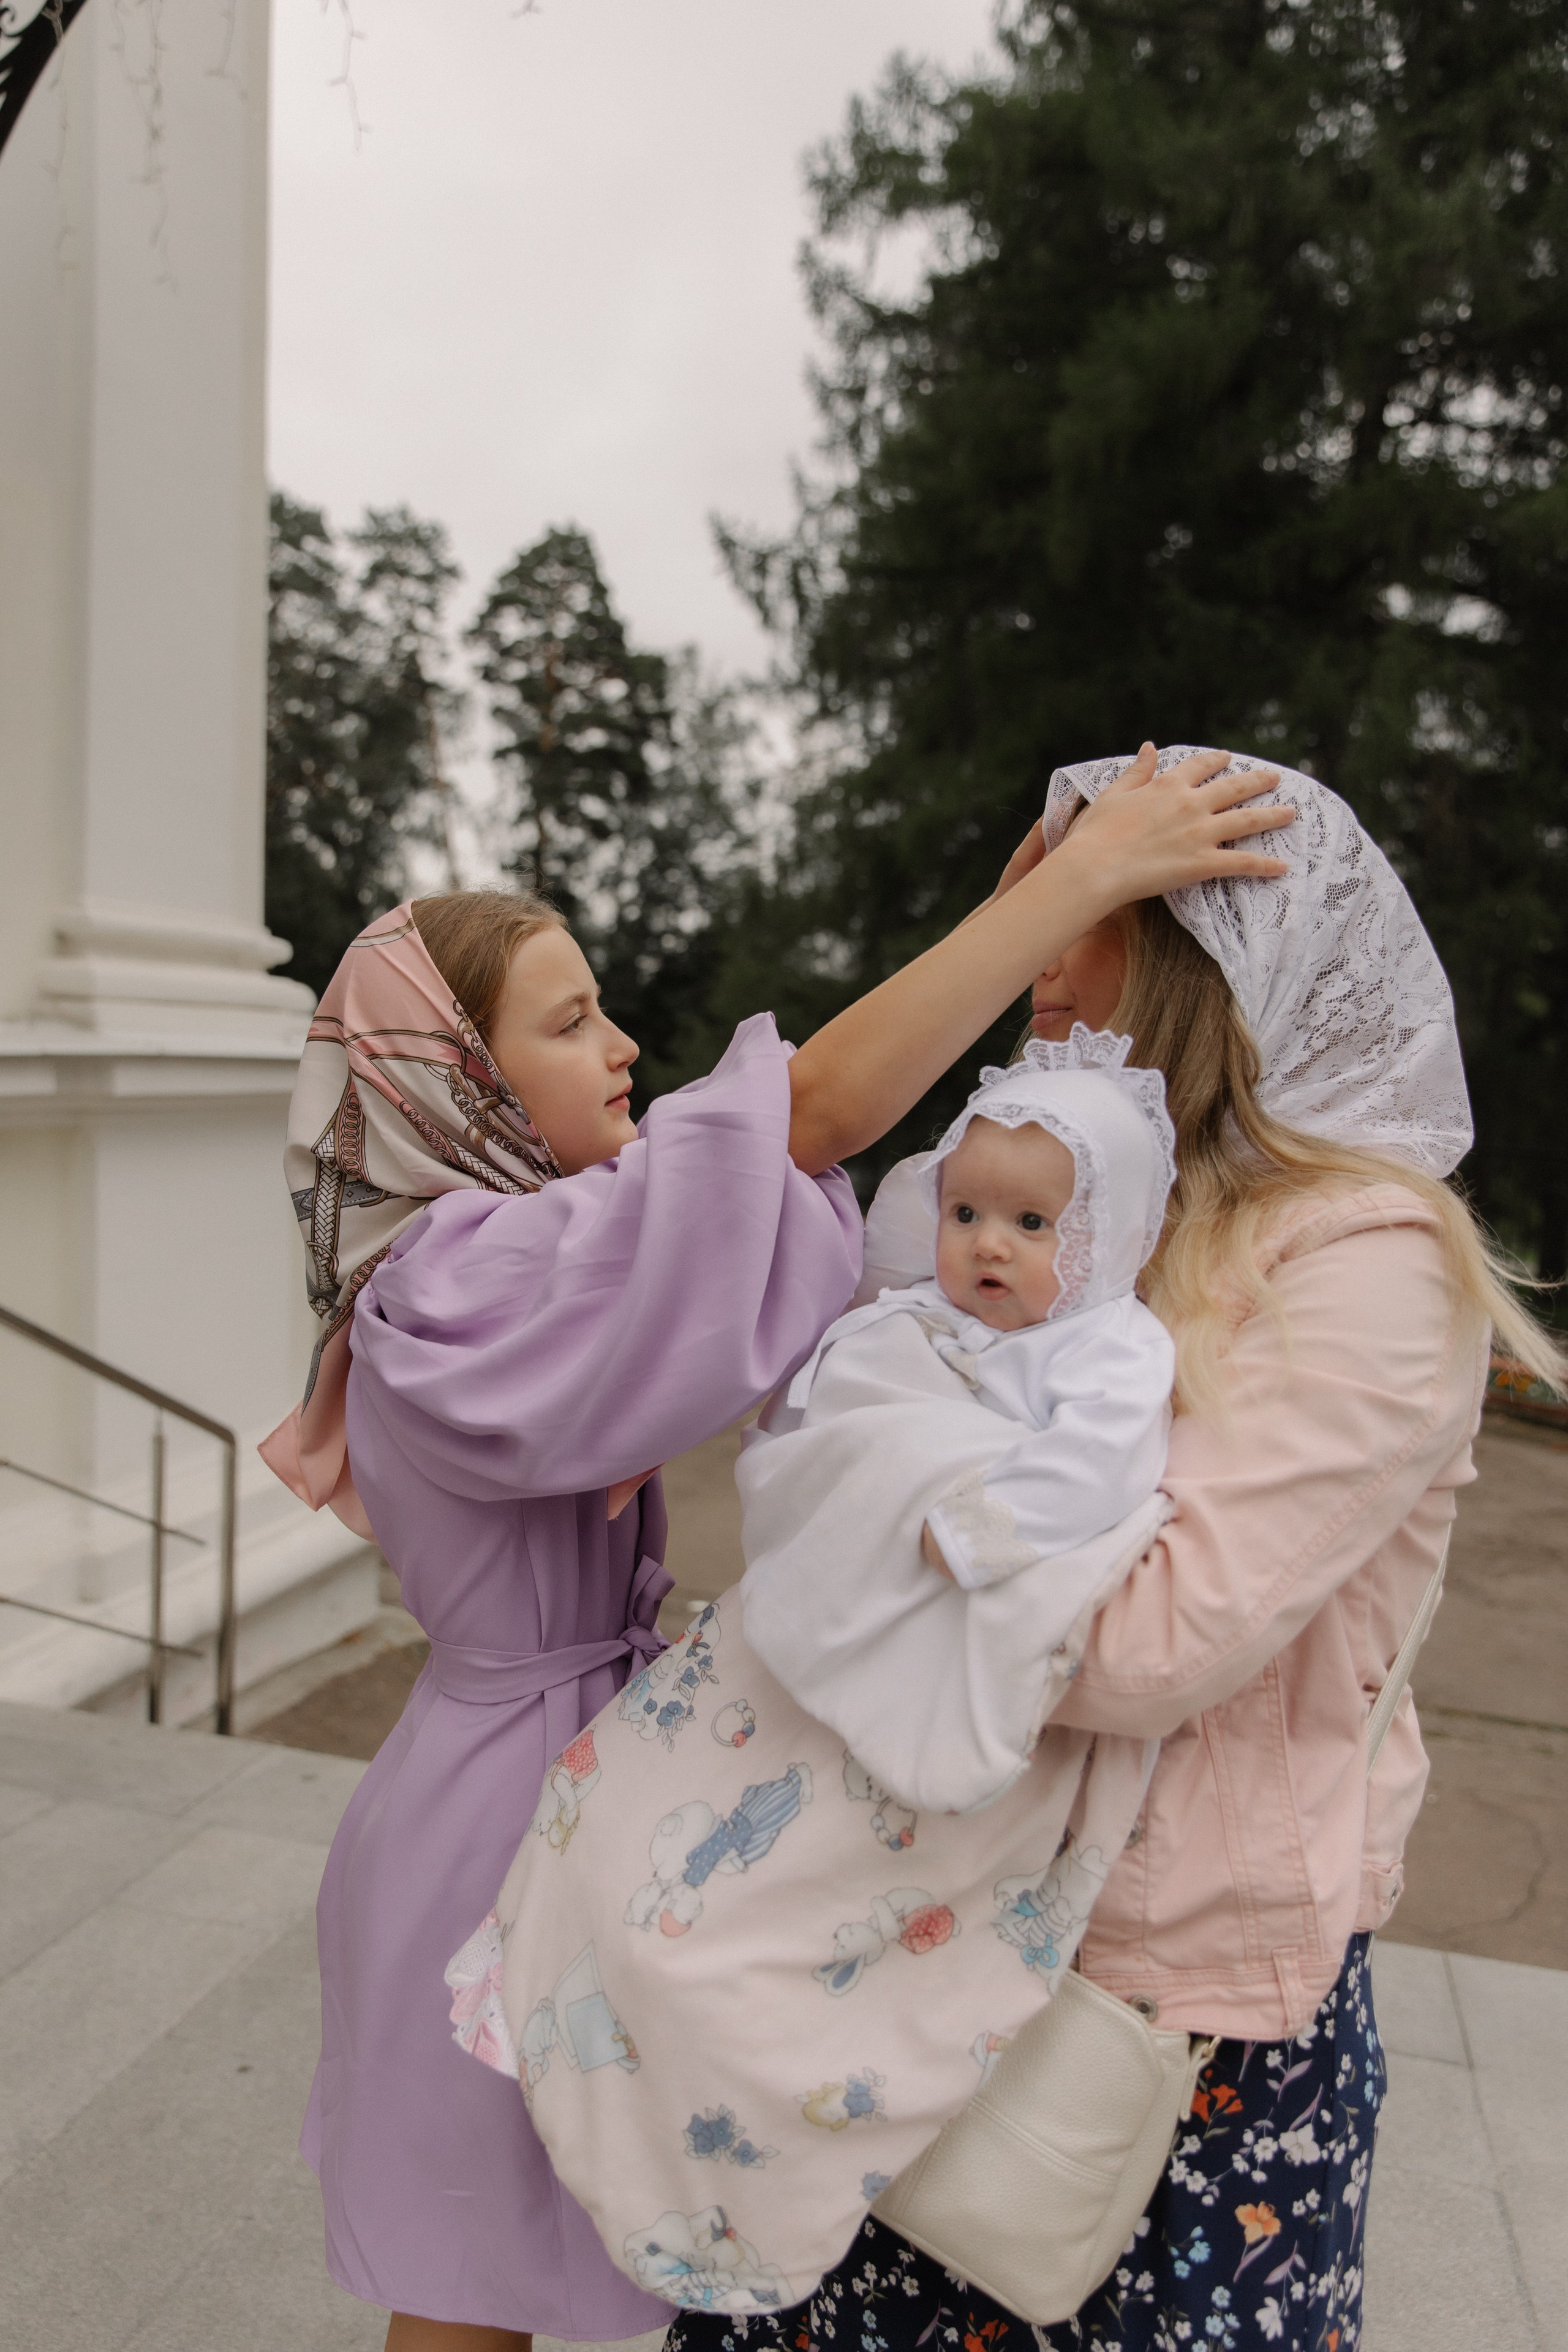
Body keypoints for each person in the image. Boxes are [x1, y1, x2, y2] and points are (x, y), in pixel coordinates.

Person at [259, 744, 1294, 2352]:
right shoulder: (461, 1282)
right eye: (566, 1022)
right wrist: (1079, 894)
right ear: (450, 1079)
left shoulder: (467, 1272)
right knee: (470, 2301)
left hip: (520, 1772)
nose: (622, 1050)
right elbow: (796, 1126)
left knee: (509, 2273)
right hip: (498, 1817)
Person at [662, 747, 1566, 2352]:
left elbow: (1145, 1644)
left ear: (1181, 946)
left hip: (1151, 2025)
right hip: (899, 1934)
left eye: (1071, 898)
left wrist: (863, 1520)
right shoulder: (1070, 1199)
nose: (1024, 947)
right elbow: (822, 1382)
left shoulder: (1367, 1253)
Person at [737, 1024, 1180, 1811]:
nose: (989, 1247)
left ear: (1111, 1238)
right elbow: (842, 1395)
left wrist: (983, 1528)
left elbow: (1102, 1457)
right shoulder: (918, 1308)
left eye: (1031, 1224)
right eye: (966, 1213)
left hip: (963, 1548)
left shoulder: (1108, 1343)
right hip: (869, 1535)